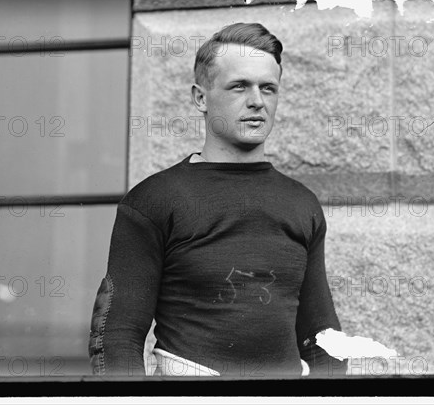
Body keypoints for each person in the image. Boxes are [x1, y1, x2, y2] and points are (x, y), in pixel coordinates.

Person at [88, 22, 347, 378]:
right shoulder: (154, 200)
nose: (256, 101)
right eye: (239, 86)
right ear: (200, 97)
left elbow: (323, 339)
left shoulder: (302, 204)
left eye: (268, 88)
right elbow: (117, 335)